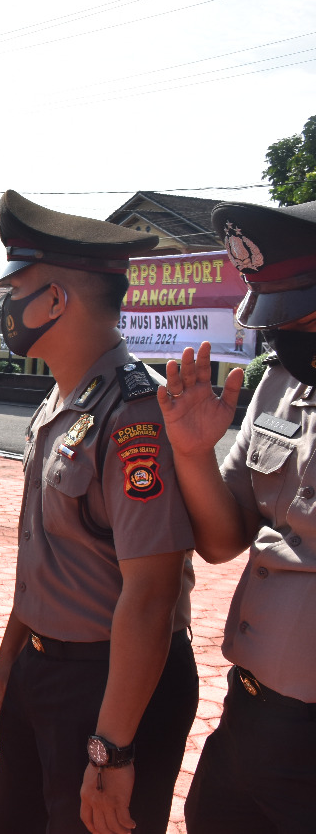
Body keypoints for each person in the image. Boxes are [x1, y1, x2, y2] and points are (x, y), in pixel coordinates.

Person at [0, 191, 199, 834]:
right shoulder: (62, 400)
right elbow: (45, 555)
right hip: (45, 669)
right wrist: (10, 658)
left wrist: (111, 749)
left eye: (16, 288)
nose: (5, 307)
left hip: (112, 687)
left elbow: (152, 596)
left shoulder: (135, 413)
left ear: (55, 300)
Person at [158, 199, 316, 833]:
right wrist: (194, 454)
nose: (287, 334)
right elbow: (223, 541)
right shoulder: (282, 382)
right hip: (251, 709)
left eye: (302, 314)